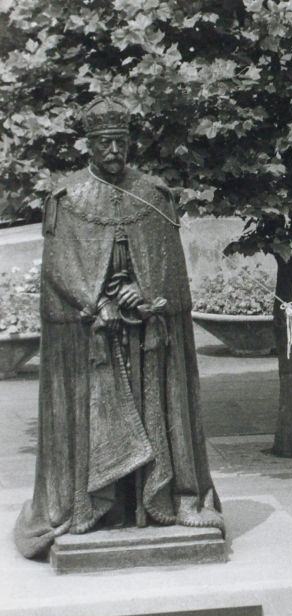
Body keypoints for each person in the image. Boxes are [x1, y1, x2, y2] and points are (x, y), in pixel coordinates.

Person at [14, 97, 223, 559]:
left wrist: (146, 297)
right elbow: (59, 271)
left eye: (120, 142)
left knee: (153, 411)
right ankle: (97, 508)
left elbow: (170, 271)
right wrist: (97, 302)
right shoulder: (67, 200)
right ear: (89, 145)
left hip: (144, 333)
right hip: (94, 334)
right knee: (98, 413)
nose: (114, 151)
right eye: (104, 143)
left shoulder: (153, 195)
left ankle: (167, 498)